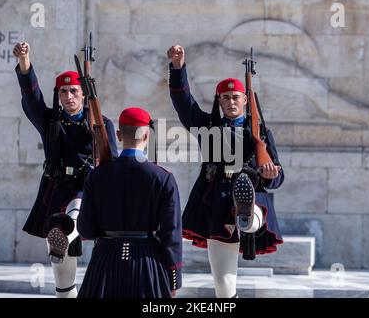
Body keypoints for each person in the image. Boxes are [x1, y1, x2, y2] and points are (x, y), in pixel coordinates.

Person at [167, 45, 284, 298]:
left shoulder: (261, 133)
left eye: (236, 97)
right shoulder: (207, 127)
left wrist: (270, 174)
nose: (231, 102)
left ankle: (247, 215)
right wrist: (177, 68)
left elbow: (278, 176)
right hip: (216, 203)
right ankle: (245, 217)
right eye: (225, 97)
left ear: (245, 100)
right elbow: (183, 103)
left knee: (251, 213)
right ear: (219, 101)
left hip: (253, 194)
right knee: (223, 287)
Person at [13, 42, 118, 298]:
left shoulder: (102, 124)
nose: (68, 97)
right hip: (57, 188)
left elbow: (113, 161)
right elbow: (31, 94)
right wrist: (25, 61)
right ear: (58, 95)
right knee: (61, 264)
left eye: (73, 91)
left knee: (69, 219)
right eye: (63, 92)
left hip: (87, 189)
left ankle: (64, 230)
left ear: (84, 94)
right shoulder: (50, 121)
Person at [77, 107, 182, 298]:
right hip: (147, 261)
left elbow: (86, 229)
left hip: (105, 259)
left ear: (118, 135)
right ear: (147, 136)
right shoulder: (163, 178)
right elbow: (171, 233)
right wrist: (174, 277)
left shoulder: (97, 175)